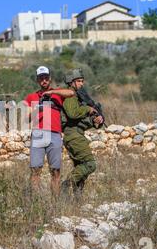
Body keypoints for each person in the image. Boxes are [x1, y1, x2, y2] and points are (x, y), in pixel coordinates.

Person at [24, 66, 74, 198]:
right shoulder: (31, 97)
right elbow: (26, 117)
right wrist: (36, 108)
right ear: (37, 80)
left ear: (50, 79)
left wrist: (52, 94)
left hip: (55, 133)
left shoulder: (58, 94)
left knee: (55, 171)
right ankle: (35, 203)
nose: (44, 80)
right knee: (35, 170)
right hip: (38, 133)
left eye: (46, 78)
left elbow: (71, 93)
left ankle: (55, 202)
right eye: (41, 78)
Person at [61, 69, 103, 201]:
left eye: (82, 81)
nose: (81, 84)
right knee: (90, 164)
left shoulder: (78, 97)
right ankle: (66, 184)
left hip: (77, 133)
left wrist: (94, 120)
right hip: (73, 135)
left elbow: (79, 121)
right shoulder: (70, 96)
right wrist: (88, 109)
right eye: (79, 81)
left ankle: (77, 200)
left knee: (81, 170)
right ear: (71, 82)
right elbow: (73, 113)